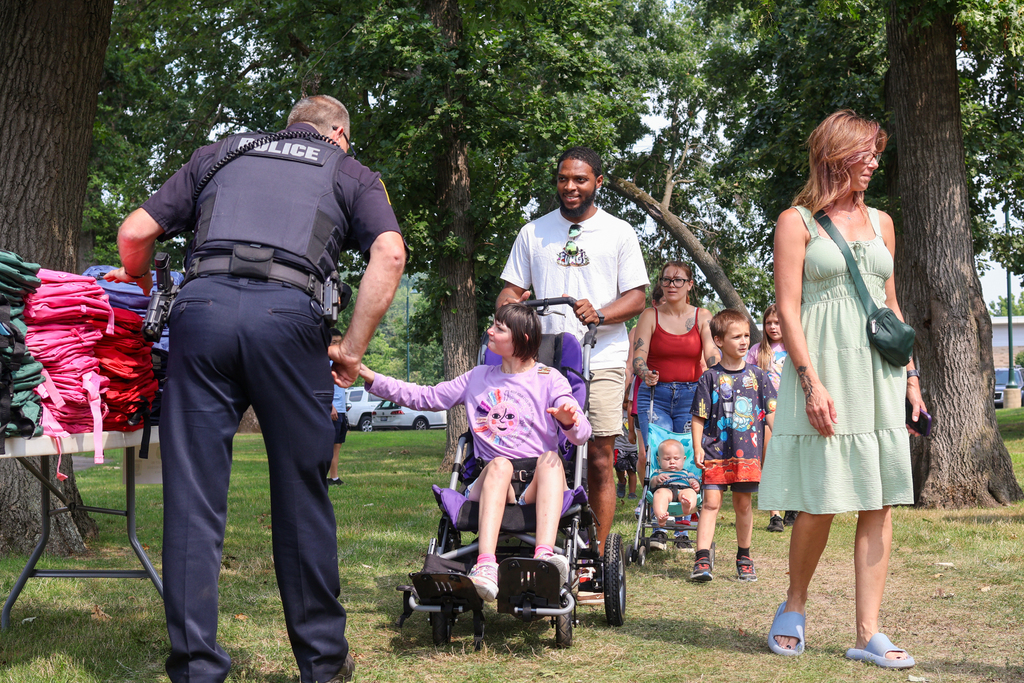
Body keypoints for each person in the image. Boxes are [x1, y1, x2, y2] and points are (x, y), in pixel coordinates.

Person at [105, 95, 406, 683]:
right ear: (339, 135)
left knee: (192, 500)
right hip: (290, 322)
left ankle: (195, 668)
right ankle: (321, 664)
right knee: (301, 493)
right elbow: (389, 253)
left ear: (291, 126)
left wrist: (137, 277)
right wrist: (351, 349)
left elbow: (134, 231)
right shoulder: (350, 172)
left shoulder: (219, 154)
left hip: (203, 314)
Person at [761, 110, 926, 668]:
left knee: (878, 501)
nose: (875, 163)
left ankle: (869, 632)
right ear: (836, 154)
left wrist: (911, 375)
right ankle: (794, 605)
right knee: (822, 500)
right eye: (866, 153)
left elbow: (891, 304)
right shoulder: (796, 221)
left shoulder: (883, 221)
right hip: (825, 367)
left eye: (877, 153)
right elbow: (788, 308)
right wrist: (810, 382)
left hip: (878, 373)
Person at [357, 303, 591, 600]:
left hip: (536, 484)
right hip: (492, 480)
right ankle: (486, 567)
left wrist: (571, 421)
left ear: (523, 339)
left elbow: (582, 434)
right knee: (501, 465)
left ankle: (544, 558)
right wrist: (373, 379)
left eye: (499, 328)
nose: (490, 331)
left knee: (552, 459)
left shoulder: (550, 379)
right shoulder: (477, 378)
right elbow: (425, 396)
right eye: (492, 324)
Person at [495, 147, 647, 573]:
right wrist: (511, 304)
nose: (570, 187)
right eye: (563, 179)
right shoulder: (533, 232)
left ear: (598, 181)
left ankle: (596, 556)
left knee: (598, 455)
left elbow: (637, 296)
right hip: (544, 360)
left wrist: (600, 312)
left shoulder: (619, 232)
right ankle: (542, 539)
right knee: (543, 454)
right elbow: (508, 291)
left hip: (603, 356)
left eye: (580, 179)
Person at [631, 262, 718, 551]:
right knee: (660, 454)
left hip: (692, 394)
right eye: (666, 279)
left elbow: (710, 352)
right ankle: (658, 524)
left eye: (678, 280)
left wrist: (721, 372)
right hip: (655, 393)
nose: (671, 285)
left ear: (690, 284)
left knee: (688, 457)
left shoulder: (703, 316)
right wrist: (644, 372)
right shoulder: (649, 315)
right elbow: (638, 356)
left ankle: (682, 525)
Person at [689, 309, 776, 583]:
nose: (743, 341)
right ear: (718, 340)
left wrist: (784, 439)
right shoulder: (709, 377)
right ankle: (702, 558)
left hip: (748, 454)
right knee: (711, 503)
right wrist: (696, 446)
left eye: (747, 335)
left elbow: (772, 412)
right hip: (715, 451)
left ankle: (744, 557)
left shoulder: (759, 377)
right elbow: (698, 416)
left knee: (743, 505)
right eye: (736, 336)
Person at [745, 304, 793, 532]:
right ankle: (775, 514)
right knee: (770, 458)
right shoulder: (757, 350)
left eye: (778, 322)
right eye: (769, 323)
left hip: (792, 408)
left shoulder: (794, 347)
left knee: (793, 458)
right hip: (765, 413)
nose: (773, 327)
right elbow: (746, 379)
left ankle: (793, 505)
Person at [649, 438, 700, 526]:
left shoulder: (687, 473)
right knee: (659, 494)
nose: (672, 462)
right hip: (666, 490)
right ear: (659, 460)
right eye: (667, 459)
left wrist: (695, 484)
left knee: (691, 493)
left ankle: (687, 507)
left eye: (676, 459)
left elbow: (693, 480)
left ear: (683, 460)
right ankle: (661, 517)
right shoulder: (658, 472)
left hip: (683, 491)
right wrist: (657, 479)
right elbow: (652, 485)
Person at [328, 328, 348, 486]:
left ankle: (333, 477)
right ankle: (324, 477)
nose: (337, 345)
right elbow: (322, 387)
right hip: (331, 410)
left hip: (341, 411)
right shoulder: (324, 363)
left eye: (338, 342)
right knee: (328, 446)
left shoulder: (339, 362)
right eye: (333, 342)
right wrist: (331, 407)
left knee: (337, 445)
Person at [614, 407, 638, 499]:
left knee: (632, 470)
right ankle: (621, 481)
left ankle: (632, 493)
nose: (626, 404)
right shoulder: (617, 411)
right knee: (619, 467)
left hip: (632, 446)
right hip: (619, 445)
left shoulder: (635, 412)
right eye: (625, 402)